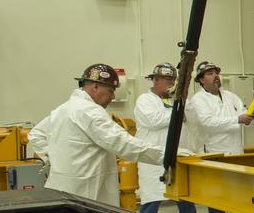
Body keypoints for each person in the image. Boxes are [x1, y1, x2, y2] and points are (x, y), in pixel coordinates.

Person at [27, 63, 165, 205]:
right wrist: (167, 155)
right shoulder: (90, 111)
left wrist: (57, 159)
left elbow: (36, 134)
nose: (113, 96)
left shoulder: (64, 109)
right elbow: (122, 143)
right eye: (111, 91)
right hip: (85, 194)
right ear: (95, 87)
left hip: (62, 188)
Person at [187, 60, 254, 213]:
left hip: (235, 151)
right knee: (217, 193)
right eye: (210, 73)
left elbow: (244, 111)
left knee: (239, 191)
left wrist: (244, 117)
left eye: (216, 72)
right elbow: (207, 123)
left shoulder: (231, 96)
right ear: (201, 79)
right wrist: (237, 119)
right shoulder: (198, 100)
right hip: (214, 152)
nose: (215, 76)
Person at [133, 62, 199, 213]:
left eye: (173, 79)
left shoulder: (180, 100)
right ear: (155, 80)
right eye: (167, 79)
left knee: (185, 199)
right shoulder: (144, 100)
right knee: (151, 202)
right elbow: (154, 121)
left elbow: (193, 119)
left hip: (180, 156)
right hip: (154, 161)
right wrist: (177, 113)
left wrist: (181, 107)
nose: (171, 83)